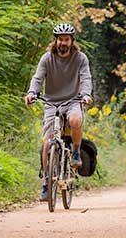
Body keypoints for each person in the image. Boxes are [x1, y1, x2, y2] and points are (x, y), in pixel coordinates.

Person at [24, 23, 93, 201]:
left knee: (75, 120)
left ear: (72, 41)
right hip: (51, 102)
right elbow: (38, 78)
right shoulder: (47, 58)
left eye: (67, 39)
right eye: (60, 39)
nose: (63, 42)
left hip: (73, 100)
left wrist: (86, 95)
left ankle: (76, 152)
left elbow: (85, 78)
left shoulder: (80, 58)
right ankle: (47, 182)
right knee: (48, 144)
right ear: (56, 40)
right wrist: (32, 92)